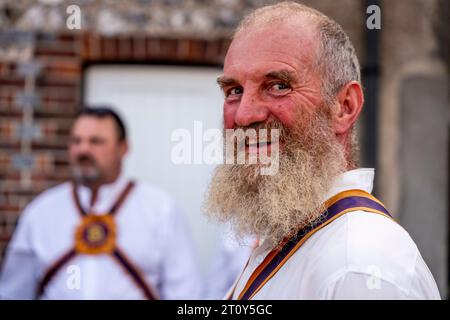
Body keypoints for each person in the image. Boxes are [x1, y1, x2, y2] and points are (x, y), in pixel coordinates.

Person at [205, 2, 441, 299]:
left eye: (278, 86)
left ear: (344, 107)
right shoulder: (301, 238)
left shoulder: (359, 264)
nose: (243, 115)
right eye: (234, 91)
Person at [0, 107, 201, 299]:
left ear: (123, 148)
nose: (83, 150)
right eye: (76, 141)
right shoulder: (40, 212)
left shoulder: (161, 210)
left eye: (96, 141)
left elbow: (186, 295)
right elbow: (13, 292)